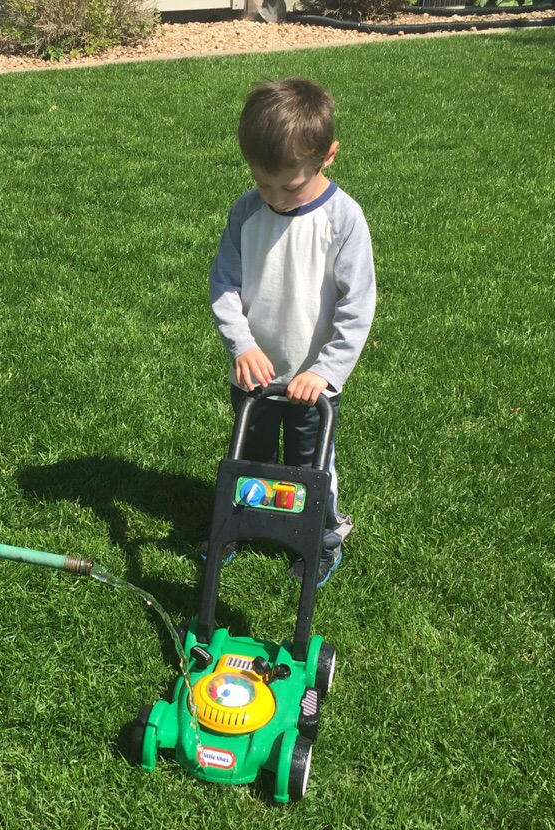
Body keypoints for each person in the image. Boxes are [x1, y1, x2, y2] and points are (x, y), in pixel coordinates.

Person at [209, 77, 376, 587]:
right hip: (255, 376)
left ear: (328, 156)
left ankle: (322, 538)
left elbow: (357, 306)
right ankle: (239, 526)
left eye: (289, 186)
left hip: (312, 384)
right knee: (250, 460)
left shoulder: (343, 220)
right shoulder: (246, 213)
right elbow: (224, 284)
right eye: (264, 184)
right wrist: (242, 346)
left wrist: (325, 371)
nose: (276, 198)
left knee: (311, 468)